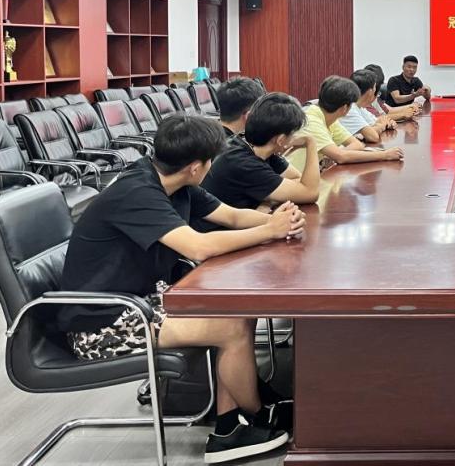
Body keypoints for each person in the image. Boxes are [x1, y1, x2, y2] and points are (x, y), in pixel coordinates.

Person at [58, 115, 306, 462]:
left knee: (234, 311)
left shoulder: (175, 184)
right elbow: (198, 247)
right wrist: (270, 231)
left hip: (139, 301)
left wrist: (280, 221)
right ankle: (254, 416)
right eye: (210, 161)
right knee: (231, 327)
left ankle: (234, 421)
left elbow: (233, 216)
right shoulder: (137, 192)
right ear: (196, 167)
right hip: (102, 323)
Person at [202, 92, 321, 207]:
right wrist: (311, 143)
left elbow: (298, 179)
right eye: (293, 134)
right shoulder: (243, 163)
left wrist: (268, 200)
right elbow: (311, 193)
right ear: (280, 140)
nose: (294, 137)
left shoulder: (258, 148)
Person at [288, 75, 405, 173]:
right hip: (296, 181)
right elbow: (341, 157)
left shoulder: (329, 117)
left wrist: (334, 154)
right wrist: (385, 155)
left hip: (317, 175)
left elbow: (357, 144)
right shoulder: (312, 120)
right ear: (345, 108)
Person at [339, 69, 396, 143]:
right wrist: (383, 125)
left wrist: (387, 123)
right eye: (375, 87)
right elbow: (373, 137)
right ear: (370, 91)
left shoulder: (359, 107)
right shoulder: (349, 108)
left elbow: (377, 120)